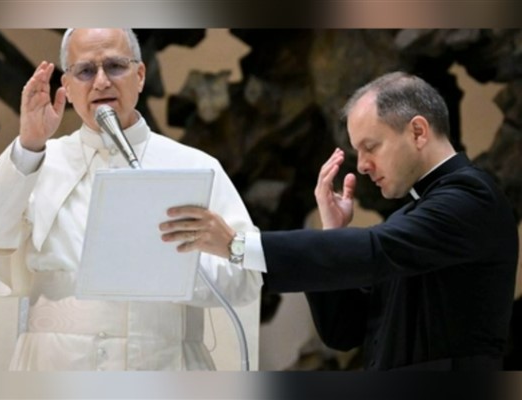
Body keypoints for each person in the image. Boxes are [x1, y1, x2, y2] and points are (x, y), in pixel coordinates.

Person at [160, 71, 519, 370]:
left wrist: (238, 245)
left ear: (418, 131)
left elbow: (376, 250)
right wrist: (332, 230)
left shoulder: (471, 198)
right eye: (357, 151)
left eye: (371, 147)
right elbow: (344, 331)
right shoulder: (414, 213)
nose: (361, 166)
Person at [0, 28, 263, 371]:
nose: (102, 82)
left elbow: (246, 277)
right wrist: (29, 145)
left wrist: (165, 272)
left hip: (163, 366)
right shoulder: (37, 160)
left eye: (116, 66)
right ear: (67, 87)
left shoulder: (194, 166)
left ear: (140, 76)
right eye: (85, 71)